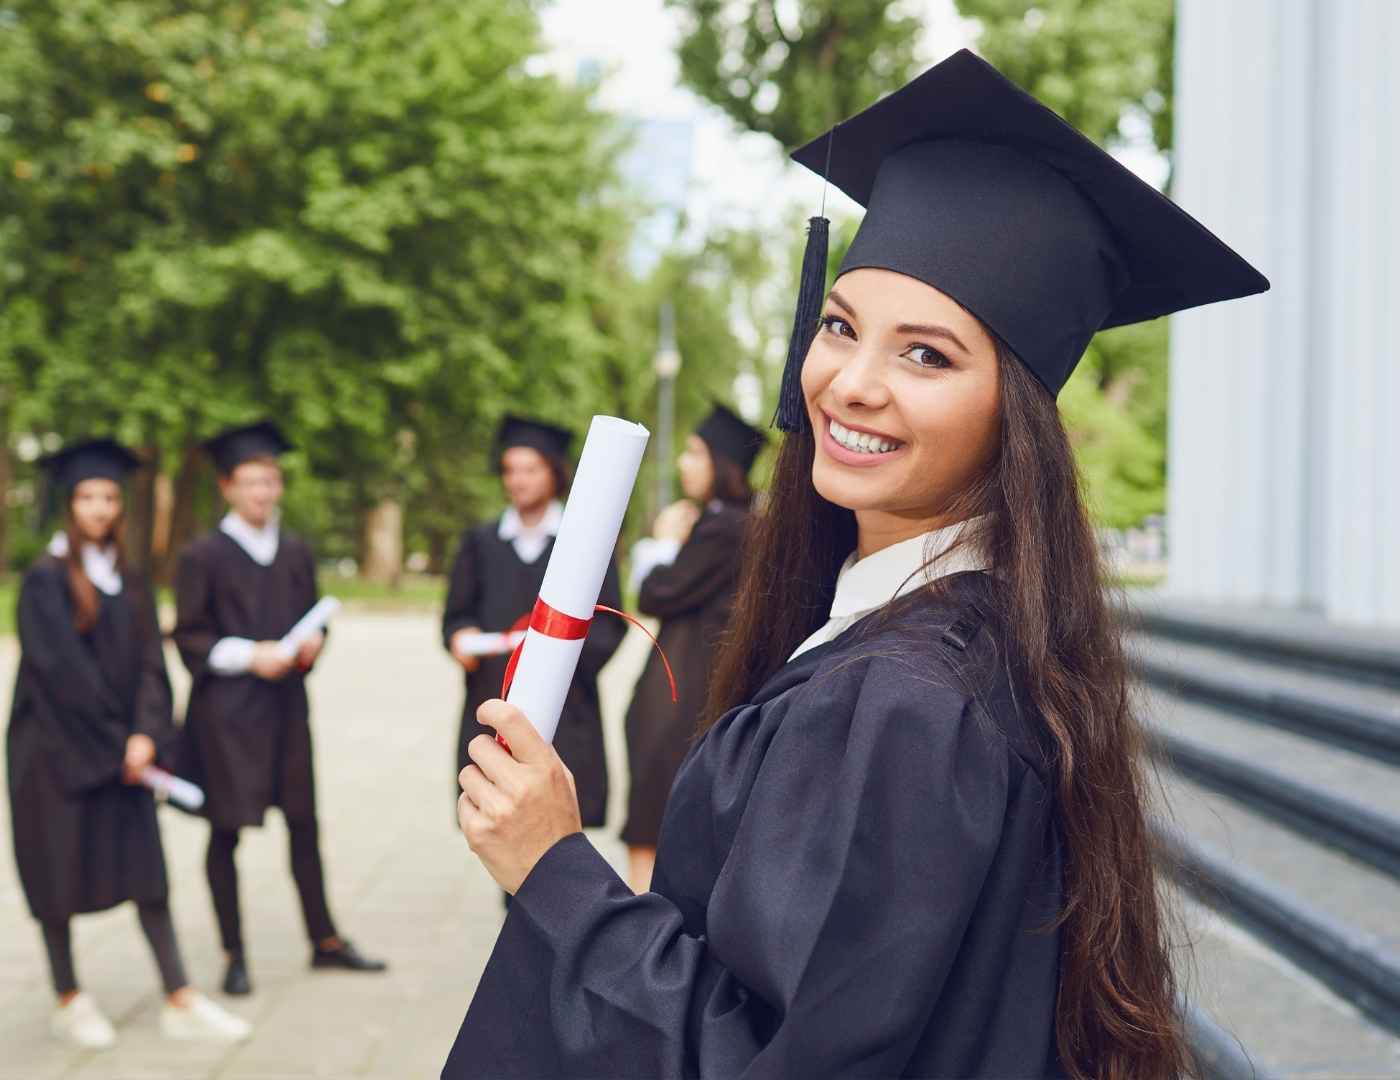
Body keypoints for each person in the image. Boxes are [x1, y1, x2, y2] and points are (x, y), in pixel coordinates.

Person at [443, 50, 1270, 1080]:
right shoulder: (968, 642)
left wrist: (554, 868)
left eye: (925, 354)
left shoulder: (906, 706)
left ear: (1009, 415)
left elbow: (783, 1061)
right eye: (838, 327)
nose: (850, 383)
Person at [8, 439, 251, 1048]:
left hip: (125, 754)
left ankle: (179, 996)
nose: (99, 508)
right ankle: (69, 996)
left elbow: (151, 663)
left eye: (109, 497)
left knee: (147, 875)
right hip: (56, 757)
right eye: (88, 497)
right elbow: (62, 676)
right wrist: (121, 743)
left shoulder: (130, 577)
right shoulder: (43, 581)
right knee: (56, 876)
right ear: (69, 503)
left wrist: (147, 733)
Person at [173, 420, 385, 997]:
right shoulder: (203, 556)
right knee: (225, 831)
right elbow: (189, 637)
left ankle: (325, 941)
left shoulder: (294, 551)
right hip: (227, 714)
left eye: (270, 481)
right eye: (250, 482)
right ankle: (233, 951)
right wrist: (249, 655)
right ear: (227, 487)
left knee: (303, 823)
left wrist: (312, 648)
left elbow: (314, 618)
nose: (262, 493)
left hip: (288, 707)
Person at [442, 416, 624, 834]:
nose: (517, 481)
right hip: (494, 698)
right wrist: (459, 639)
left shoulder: (584, 543)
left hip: (566, 709)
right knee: (498, 818)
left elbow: (610, 623)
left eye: (529, 470)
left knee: (557, 829)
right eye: (510, 470)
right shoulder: (481, 543)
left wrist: (555, 659)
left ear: (553, 474)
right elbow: (457, 615)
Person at [620, 404, 764, 893]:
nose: (684, 462)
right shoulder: (744, 521)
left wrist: (664, 542)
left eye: (695, 452)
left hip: (680, 693)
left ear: (723, 463)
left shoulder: (724, 525)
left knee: (649, 821)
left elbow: (656, 593)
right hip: (695, 688)